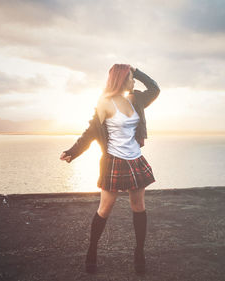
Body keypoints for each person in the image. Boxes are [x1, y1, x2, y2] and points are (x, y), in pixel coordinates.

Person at [59, 64, 160, 274]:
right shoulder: (104, 102)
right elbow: (91, 132)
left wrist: (137, 71)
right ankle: (92, 251)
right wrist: (72, 151)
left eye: (134, 78)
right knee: (104, 209)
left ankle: (139, 253)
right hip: (114, 162)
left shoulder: (136, 99)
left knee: (138, 206)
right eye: (131, 78)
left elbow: (155, 89)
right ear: (121, 80)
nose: (133, 81)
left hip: (135, 160)